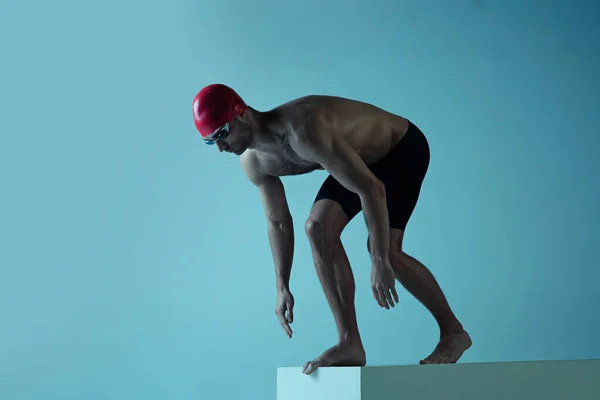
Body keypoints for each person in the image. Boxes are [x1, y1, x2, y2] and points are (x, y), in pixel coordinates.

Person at [192, 83, 472, 375]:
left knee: (388, 251)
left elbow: (372, 189)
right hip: (358, 160)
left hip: (399, 149)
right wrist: (282, 286)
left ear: (242, 114)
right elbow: (278, 222)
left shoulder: (303, 130)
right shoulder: (253, 162)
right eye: (211, 141)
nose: (221, 147)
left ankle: (453, 332)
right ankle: (349, 342)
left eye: (222, 133)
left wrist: (378, 260)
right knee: (317, 228)